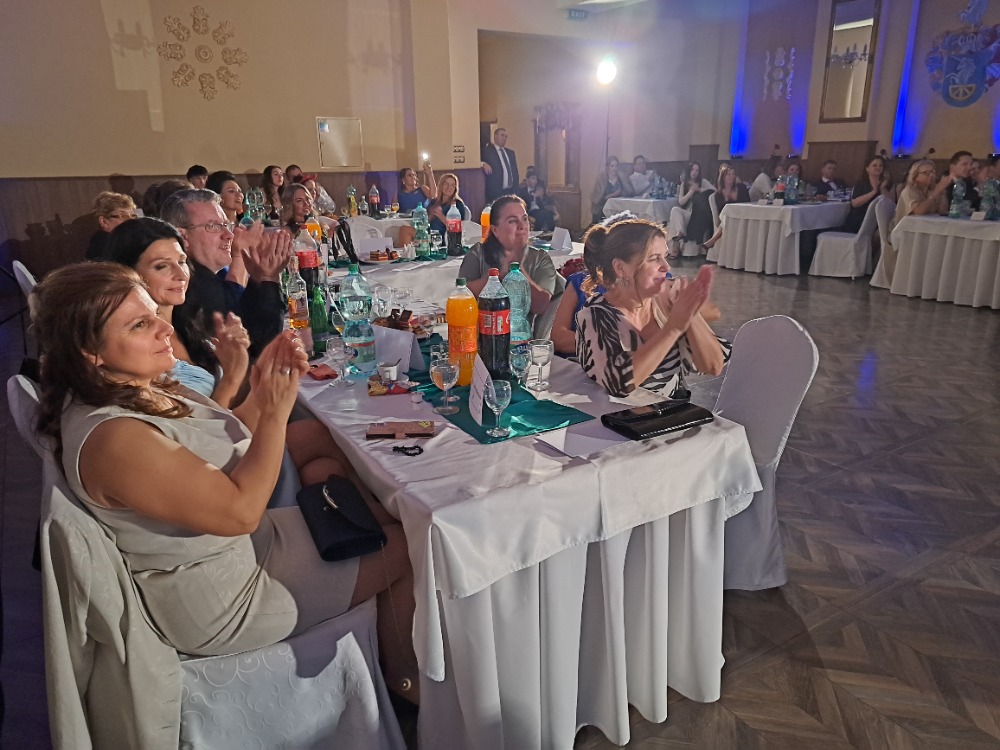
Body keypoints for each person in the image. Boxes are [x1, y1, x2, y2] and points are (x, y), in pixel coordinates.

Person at [30, 262, 419, 703]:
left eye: (154, 312)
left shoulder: (130, 385)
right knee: (412, 544)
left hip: (245, 549)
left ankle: (380, 650)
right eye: (139, 324)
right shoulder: (115, 439)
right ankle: (403, 679)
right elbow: (241, 512)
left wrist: (259, 391)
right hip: (225, 595)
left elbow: (220, 442)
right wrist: (275, 414)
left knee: (387, 516)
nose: (164, 327)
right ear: (89, 351)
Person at [575, 218, 730, 397]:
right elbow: (619, 384)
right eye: (654, 258)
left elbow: (713, 366)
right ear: (620, 268)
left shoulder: (670, 299)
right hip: (616, 413)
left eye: (665, 256)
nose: (666, 266)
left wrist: (690, 313)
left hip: (671, 411)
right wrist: (673, 328)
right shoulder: (595, 315)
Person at [161, 189, 288, 356]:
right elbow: (259, 350)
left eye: (226, 225)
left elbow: (246, 318)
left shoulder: (206, 277)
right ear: (183, 237)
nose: (229, 235)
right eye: (213, 226)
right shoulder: (195, 286)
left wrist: (259, 278)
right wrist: (269, 278)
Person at [458, 195, 557, 317]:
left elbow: (540, 306)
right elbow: (462, 298)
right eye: (512, 221)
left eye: (524, 219)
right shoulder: (478, 253)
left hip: (522, 328)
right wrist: (498, 276)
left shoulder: (540, 258)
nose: (522, 226)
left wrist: (517, 270)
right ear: (495, 230)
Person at [881, 160, 952, 285]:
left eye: (933, 172)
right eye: (926, 173)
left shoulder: (931, 190)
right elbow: (919, 210)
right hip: (903, 232)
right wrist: (936, 193)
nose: (931, 175)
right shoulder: (909, 191)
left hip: (925, 230)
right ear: (915, 176)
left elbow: (942, 210)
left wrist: (942, 192)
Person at [667, 162, 713, 255]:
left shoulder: (703, 182)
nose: (694, 172)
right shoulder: (684, 184)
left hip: (698, 214)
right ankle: (680, 233)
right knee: (675, 210)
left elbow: (714, 191)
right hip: (688, 212)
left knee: (676, 215)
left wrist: (699, 190)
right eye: (692, 169)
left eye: (697, 170)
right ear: (689, 171)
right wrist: (691, 191)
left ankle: (676, 245)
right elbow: (681, 201)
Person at [702, 166, 750, 251]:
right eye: (728, 174)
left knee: (728, 213)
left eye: (733, 174)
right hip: (726, 219)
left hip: (742, 217)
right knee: (727, 214)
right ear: (723, 177)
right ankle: (713, 240)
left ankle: (713, 240)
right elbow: (720, 211)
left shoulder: (741, 188)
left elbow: (748, 204)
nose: (731, 176)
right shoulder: (718, 195)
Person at [843, 156, 893, 234]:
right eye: (874, 165)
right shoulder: (861, 184)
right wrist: (874, 191)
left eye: (880, 166)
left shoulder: (887, 184)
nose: (878, 167)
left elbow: (891, 203)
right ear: (867, 169)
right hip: (860, 219)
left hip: (879, 220)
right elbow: (855, 203)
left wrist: (882, 188)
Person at [85, 191, 138, 260]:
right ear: (104, 221)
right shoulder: (103, 247)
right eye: (123, 215)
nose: (131, 219)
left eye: (133, 215)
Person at [481, 127, 519, 201]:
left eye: (506, 136)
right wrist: (483, 163)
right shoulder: (487, 151)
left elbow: (515, 171)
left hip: (510, 191)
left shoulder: (510, 153)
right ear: (495, 136)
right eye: (502, 135)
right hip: (495, 191)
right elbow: (476, 159)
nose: (504, 138)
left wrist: (516, 188)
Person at [590, 155, 626, 224]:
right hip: (602, 208)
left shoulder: (621, 178)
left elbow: (628, 192)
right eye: (612, 166)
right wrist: (614, 194)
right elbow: (598, 199)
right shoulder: (601, 179)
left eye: (616, 166)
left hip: (618, 208)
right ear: (607, 167)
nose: (614, 168)